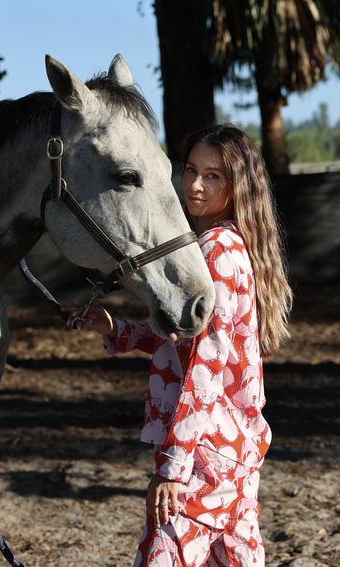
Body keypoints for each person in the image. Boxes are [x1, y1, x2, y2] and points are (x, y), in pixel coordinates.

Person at [63, 123, 292, 567]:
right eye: (190, 170)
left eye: (213, 176)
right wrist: (120, 331)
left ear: (237, 185)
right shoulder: (226, 245)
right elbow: (189, 339)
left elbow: (205, 368)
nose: (195, 184)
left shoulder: (218, 254)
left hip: (203, 457)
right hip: (232, 454)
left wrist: (172, 469)